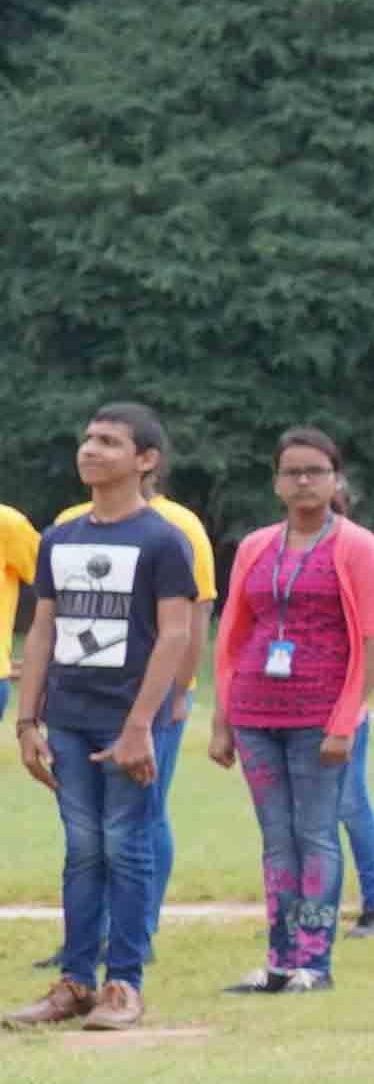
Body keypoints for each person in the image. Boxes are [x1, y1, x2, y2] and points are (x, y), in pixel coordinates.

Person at [9, 405, 211, 1031]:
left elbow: (176, 635)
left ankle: (124, 983)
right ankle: (74, 982)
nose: (90, 449)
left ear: (145, 460)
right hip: (67, 717)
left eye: (109, 442)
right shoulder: (60, 539)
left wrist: (140, 725)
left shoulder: (162, 539)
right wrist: (27, 721)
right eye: (88, 437)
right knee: (81, 849)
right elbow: (43, 629)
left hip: (130, 720)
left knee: (128, 844)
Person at [212, 428, 374, 996]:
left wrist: (346, 720)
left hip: (320, 713)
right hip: (255, 709)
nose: (303, 481)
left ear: (335, 479)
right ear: (276, 482)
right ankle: (279, 959)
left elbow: (372, 639)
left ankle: (314, 963)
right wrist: (222, 718)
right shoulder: (255, 547)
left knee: (316, 833)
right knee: (276, 838)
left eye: (315, 471)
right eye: (292, 472)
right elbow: (233, 633)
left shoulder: (357, 546)